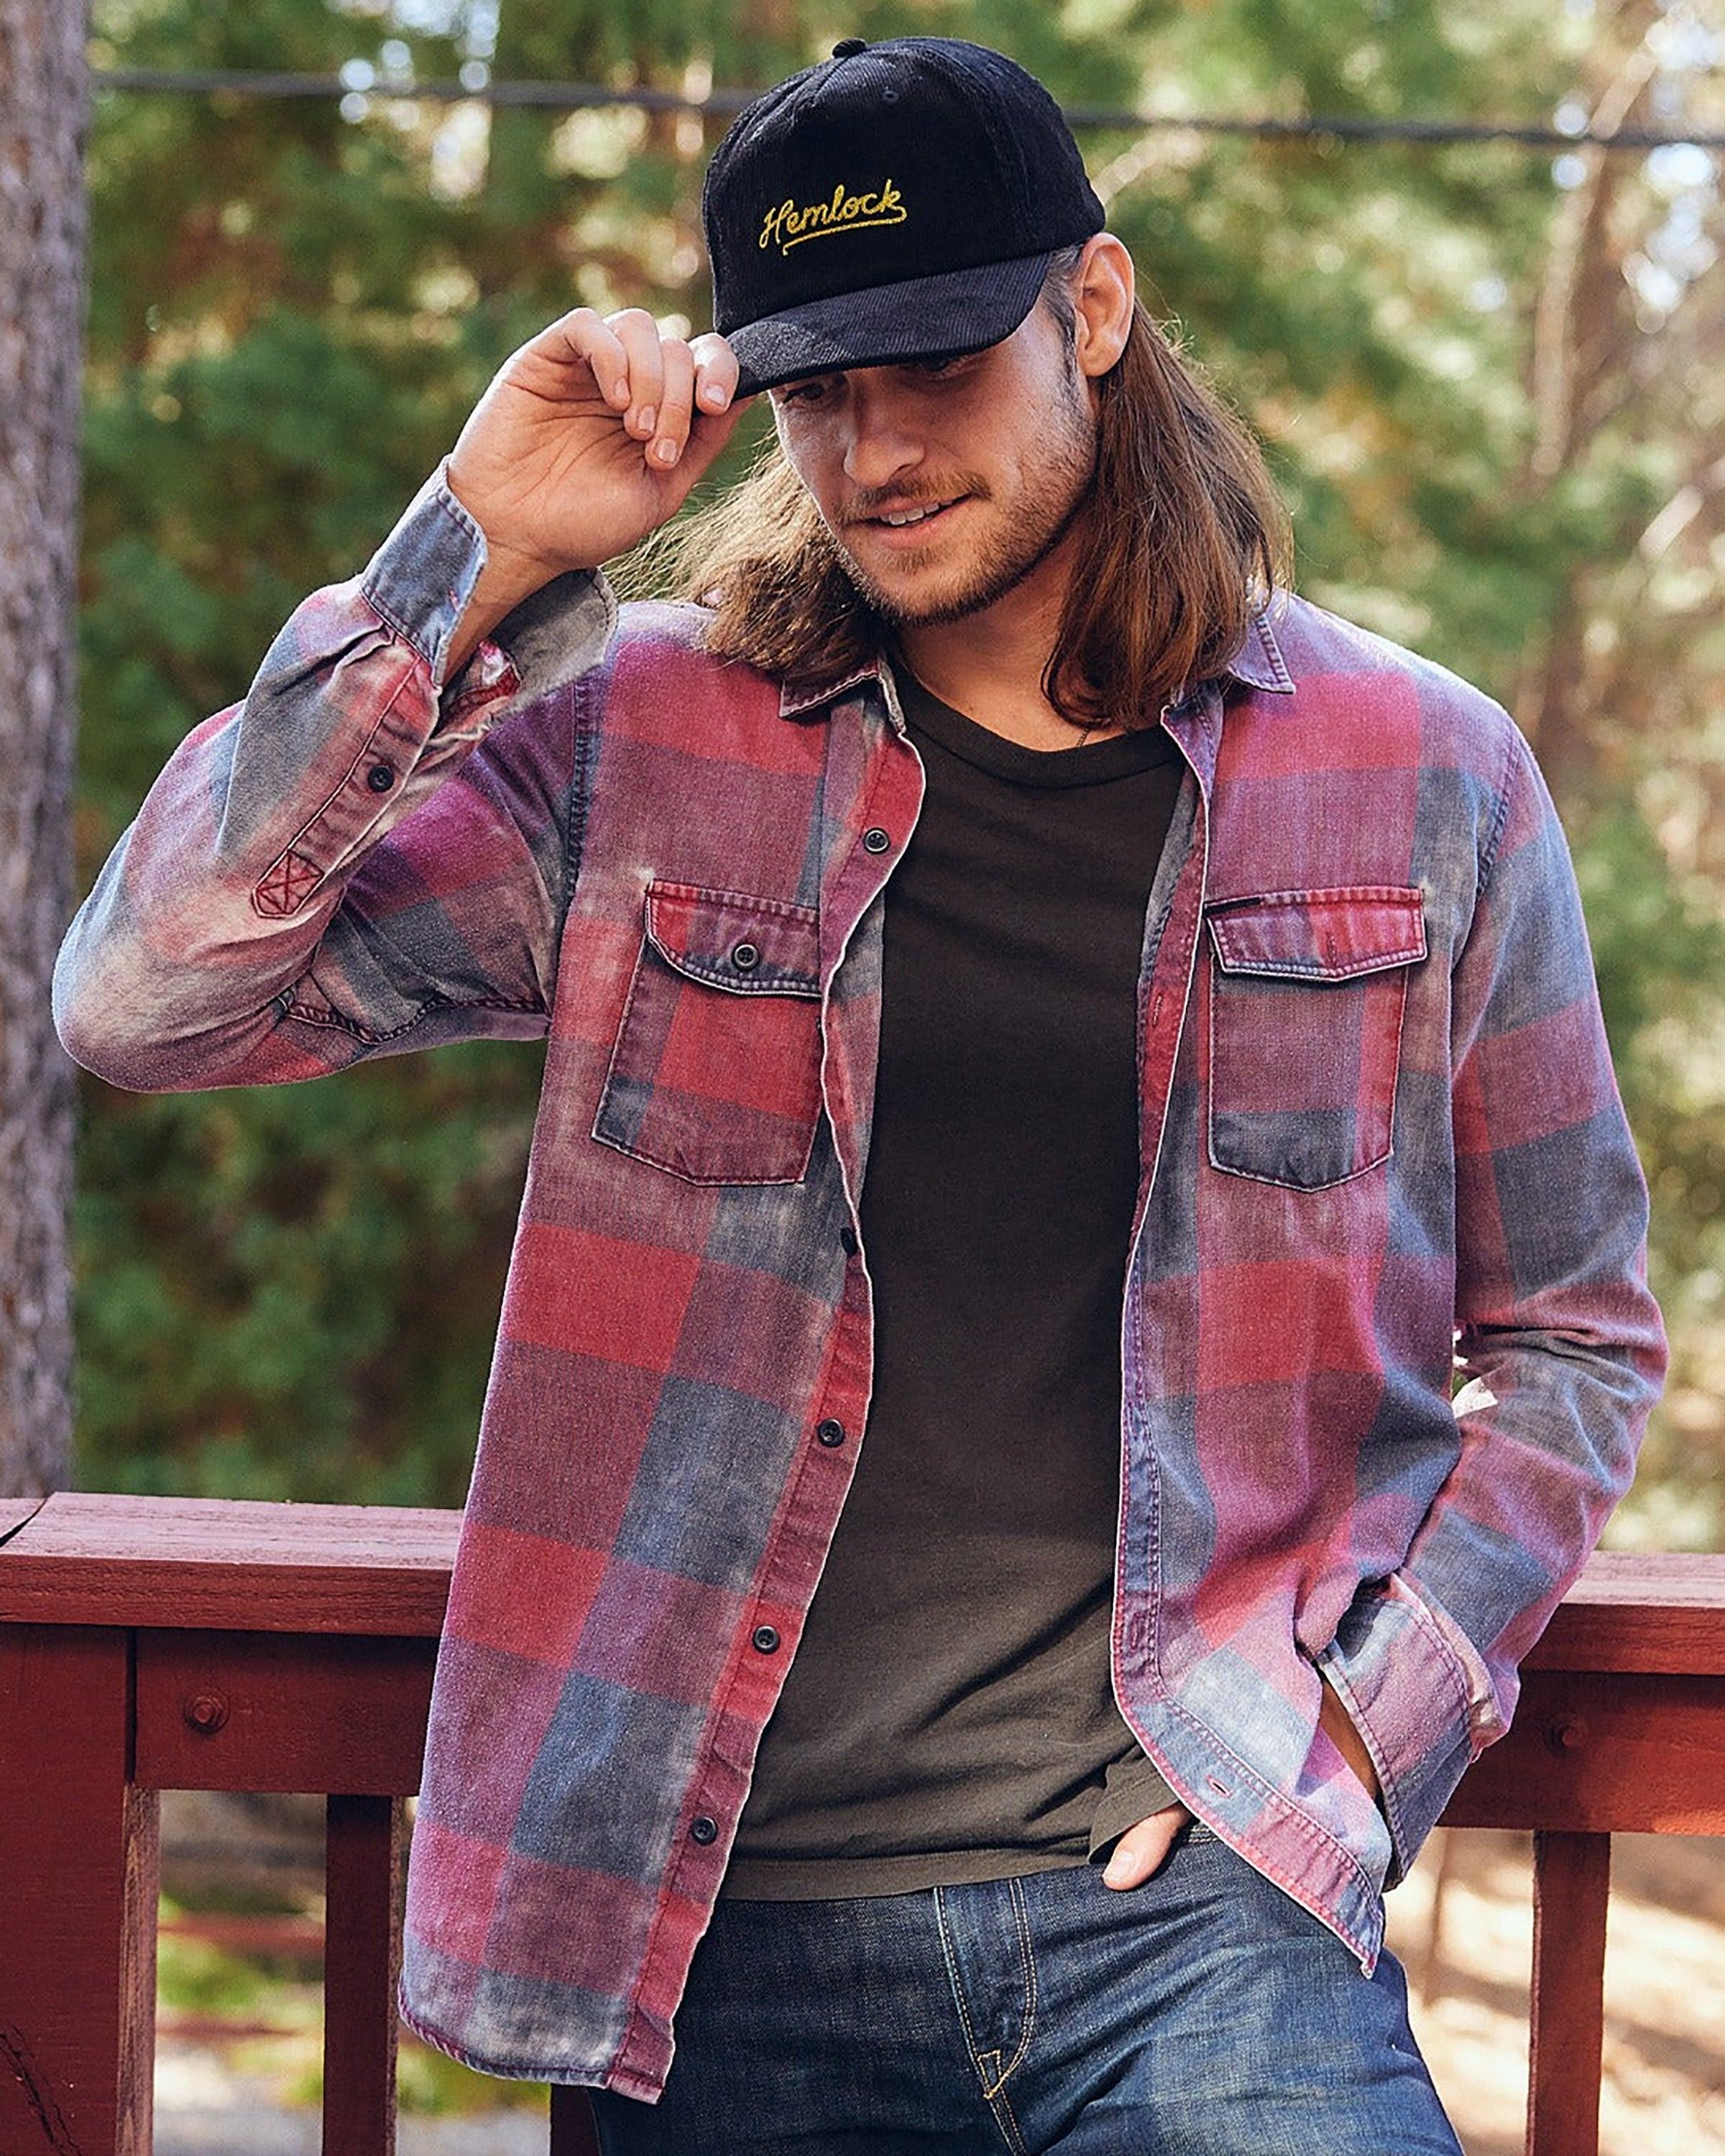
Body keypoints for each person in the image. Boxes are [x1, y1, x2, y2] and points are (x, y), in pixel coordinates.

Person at [55, 33, 1665, 2155]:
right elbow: (144, 1002)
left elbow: (1571, 1336)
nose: (874, 450)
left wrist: (1376, 1737)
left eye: (931, 365)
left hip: (1201, 1914)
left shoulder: (1426, 772)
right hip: (720, 1939)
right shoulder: (645, 742)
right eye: (817, 389)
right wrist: (471, 547)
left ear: (1090, 311)